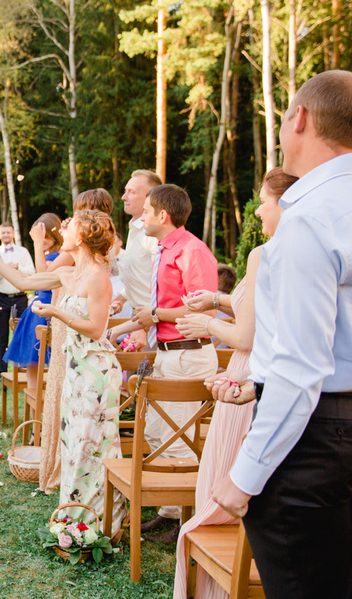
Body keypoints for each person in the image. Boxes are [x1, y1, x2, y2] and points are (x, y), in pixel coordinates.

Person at [207, 71, 352, 598]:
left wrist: (243, 478)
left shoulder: (309, 220)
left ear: (300, 119)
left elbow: (300, 366)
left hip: (314, 434)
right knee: (336, 581)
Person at [168, 167, 297, 599]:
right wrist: (220, 300)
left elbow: (246, 335)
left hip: (246, 376)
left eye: (264, 200)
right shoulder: (295, 255)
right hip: (268, 376)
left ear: (287, 203)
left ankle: (218, 588)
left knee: (223, 491)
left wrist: (205, 321)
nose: (258, 209)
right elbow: (262, 310)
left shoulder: (265, 253)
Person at [25, 210, 127, 533]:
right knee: (73, 442)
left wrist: (55, 311)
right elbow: (32, 280)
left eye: (70, 227)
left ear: (80, 239)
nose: (63, 228)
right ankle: (72, 518)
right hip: (77, 368)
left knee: (91, 443)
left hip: (96, 370)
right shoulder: (77, 273)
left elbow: (96, 329)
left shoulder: (98, 276)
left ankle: (97, 524)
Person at [131, 184, 218, 542]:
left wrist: (156, 313)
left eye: (147, 210)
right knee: (156, 431)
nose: (142, 216)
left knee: (178, 438)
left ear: (162, 216)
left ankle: (183, 519)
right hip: (167, 352)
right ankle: (169, 511)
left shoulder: (193, 251)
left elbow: (204, 306)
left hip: (189, 352)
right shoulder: (165, 249)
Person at [2, 214, 65, 391]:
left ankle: (36, 404)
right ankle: (33, 401)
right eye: (39, 236)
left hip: (46, 310)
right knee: (33, 361)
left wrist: (37, 244)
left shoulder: (56, 257)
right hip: (36, 309)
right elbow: (35, 280)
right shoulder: (49, 255)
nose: (42, 240)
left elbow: (43, 276)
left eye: (45, 236)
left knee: (39, 361)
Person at [107, 169, 163, 349]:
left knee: (144, 375)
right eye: (125, 191)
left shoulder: (155, 232)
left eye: (131, 192)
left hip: (154, 322)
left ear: (150, 197)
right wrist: (121, 297)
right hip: (139, 318)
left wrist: (143, 327)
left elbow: (161, 282)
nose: (124, 197)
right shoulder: (135, 227)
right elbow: (140, 276)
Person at [0, 222, 35, 374]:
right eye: (3, 233)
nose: (6, 235)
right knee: (2, 335)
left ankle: (22, 369)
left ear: (12, 234)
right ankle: (2, 371)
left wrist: (17, 267)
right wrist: (4, 268)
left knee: (21, 333)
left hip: (20, 297)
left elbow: (32, 271)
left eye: (8, 232)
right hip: (2, 297)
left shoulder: (23, 252)